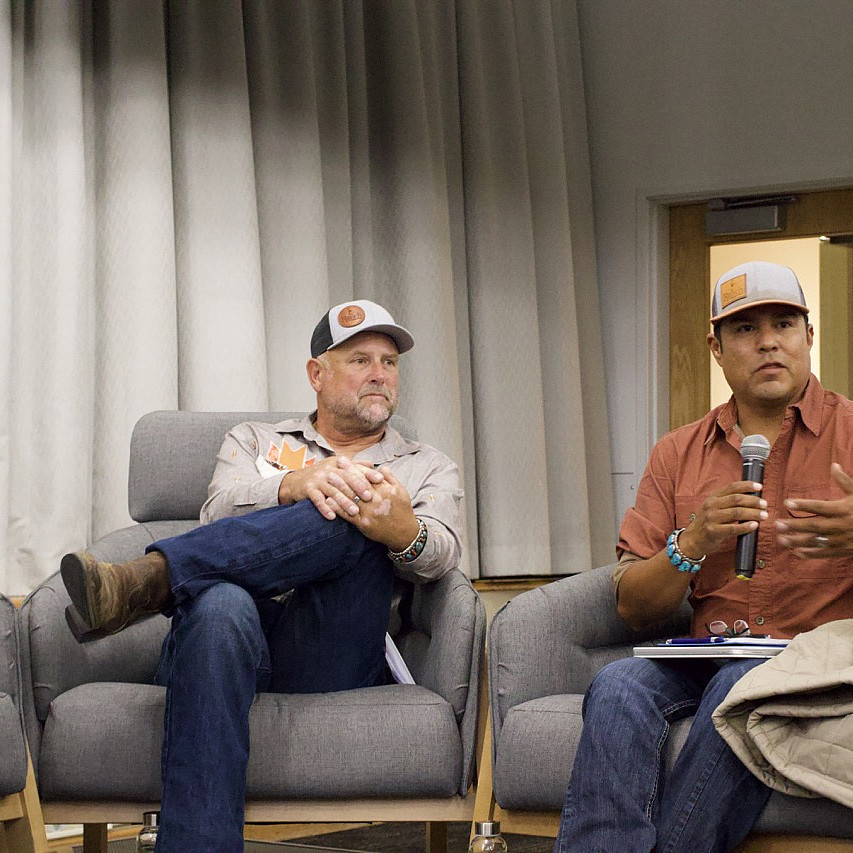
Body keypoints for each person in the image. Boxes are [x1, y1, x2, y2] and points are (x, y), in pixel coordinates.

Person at [59, 299, 463, 852]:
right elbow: (215, 515)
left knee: (358, 504)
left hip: (331, 647)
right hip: (225, 638)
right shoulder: (252, 440)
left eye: (389, 363)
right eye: (360, 359)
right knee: (222, 600)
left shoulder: (427, 464)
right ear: (316, 374)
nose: (380, 374)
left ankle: (149, 581)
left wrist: (400, 529)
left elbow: (440, 554)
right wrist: (291, 486)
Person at [554, 261, 853, 853]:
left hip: (818, 658)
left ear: (808, 337)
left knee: (742, 686)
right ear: (716, 349)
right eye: (745, 329)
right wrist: (690, 544)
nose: (768, 341)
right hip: (708, 651)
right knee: (617, 685)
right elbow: (634, 607)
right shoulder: (678, 452)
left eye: (784, 323)